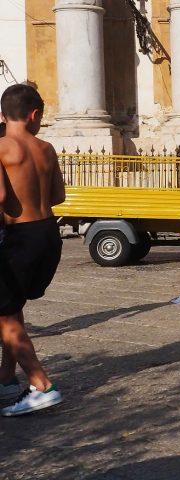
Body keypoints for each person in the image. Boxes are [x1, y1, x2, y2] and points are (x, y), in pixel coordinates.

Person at [0, 84, 65, 416]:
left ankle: (42, 385)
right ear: (34, 115)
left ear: (2, 114)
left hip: (19, 237)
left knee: (4, 316)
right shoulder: (47, 148)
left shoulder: (1, 148)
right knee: (11, 306)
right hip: (48, 233)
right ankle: (7, 378)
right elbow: (58, 197)